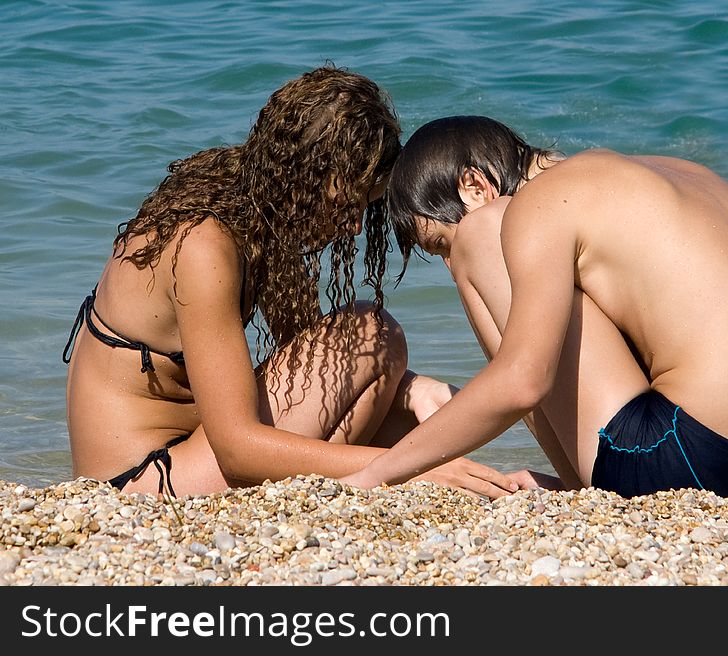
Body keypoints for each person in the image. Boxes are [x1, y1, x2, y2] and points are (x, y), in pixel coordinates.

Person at [62, 73, 517, 500]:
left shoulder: (251, 210)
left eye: (366, 207)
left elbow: (318, 367)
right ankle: (426, 476)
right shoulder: (203, 243)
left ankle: (480, 479)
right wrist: (403, 467)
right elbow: (238, 447)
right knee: (372, 333)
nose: (355, 227)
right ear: (303, 179)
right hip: (144, 482)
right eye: (347, 203)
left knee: (383, 363)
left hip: (189, 458)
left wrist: (414, 390)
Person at [341, 115, 728, 506]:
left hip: (695, 462)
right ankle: (588, 484)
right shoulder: (671, 174)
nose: (453, 271)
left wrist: (376, 473)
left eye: (440, 246)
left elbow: (522, 381)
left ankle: (588, 484)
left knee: (482, 235)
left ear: (474, 186)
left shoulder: (538, 205)